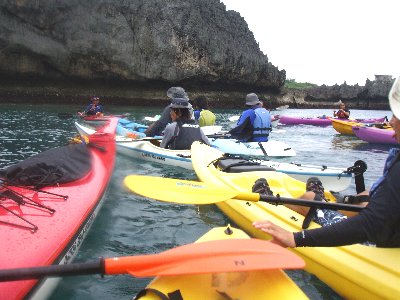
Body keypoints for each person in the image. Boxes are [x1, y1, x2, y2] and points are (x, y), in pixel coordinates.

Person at [253, 77, 400, 248]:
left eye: (395, 115)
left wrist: (296, 238)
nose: (390, 122)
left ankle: (273, 202)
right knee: (366, 197)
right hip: (390, 229)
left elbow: (371, 224)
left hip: (374, 241)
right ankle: (324, 199)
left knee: (311, 198)